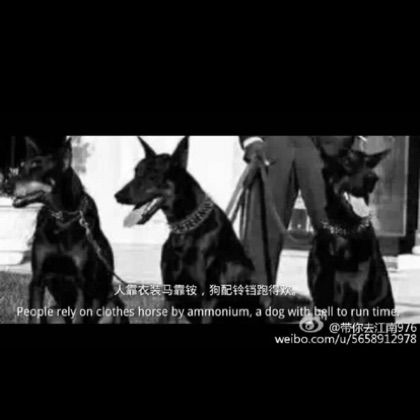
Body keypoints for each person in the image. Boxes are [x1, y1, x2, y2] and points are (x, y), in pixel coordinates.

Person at [239, 135, 363, 285]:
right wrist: (251, 139)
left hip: (327, 145)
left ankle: (344, 295)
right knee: (262, 232)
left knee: (335, 231)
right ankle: (256, 297)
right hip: (274, 143)